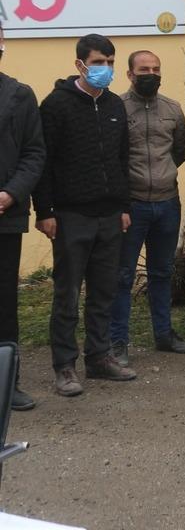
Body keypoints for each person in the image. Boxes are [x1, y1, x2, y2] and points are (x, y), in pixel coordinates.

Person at [34, 33, 135, 396]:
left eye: (109, 62)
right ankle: (64, 366)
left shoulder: (113, 106)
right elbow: (42, 163)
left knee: (103, 292)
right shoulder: (56, 106)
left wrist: (124, 207)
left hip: (110, 216)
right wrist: (44, 211)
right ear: (79, 64)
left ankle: (99, 357)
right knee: (67, 294)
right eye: (97, 63)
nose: (105, 69)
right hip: (70, 215)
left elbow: (122, 160)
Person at [110, 50, 185, 366]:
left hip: (167, 203)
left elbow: (179, 151)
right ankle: (117, 342)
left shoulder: (173, 109)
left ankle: (164, 334)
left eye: (156, 69)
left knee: (162, 272)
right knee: (122, 275)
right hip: (131, 205)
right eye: (144, 69)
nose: (151, 74)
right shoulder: (116, 107)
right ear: (130, 74)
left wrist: (162, 174)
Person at [0, 21, 46, 410]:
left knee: (3, 303)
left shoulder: (19, 94)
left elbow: (34, 153)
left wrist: (10, 193)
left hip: (4, 216)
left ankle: (7, 384)